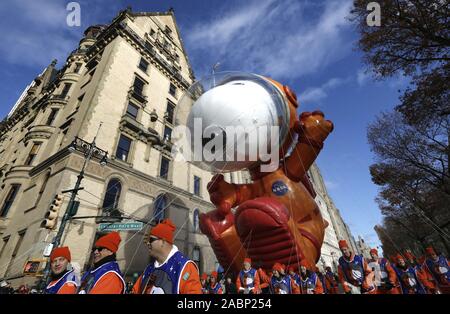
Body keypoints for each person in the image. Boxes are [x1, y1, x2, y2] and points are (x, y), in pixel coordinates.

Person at [132, 219, 202, 294]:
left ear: (162, 241)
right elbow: (135, 291)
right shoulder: (149, 269)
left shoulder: (185, 267)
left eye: (151, 239)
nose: (148, 243)